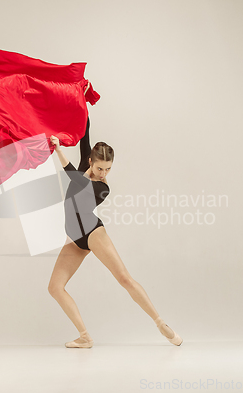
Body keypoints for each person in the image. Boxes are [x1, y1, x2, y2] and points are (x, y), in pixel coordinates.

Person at [48, 117, 183, 348]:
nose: (103, 173)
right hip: (74, 239)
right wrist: (80, 95)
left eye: (108, 169)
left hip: (92, 232)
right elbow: (84, 129)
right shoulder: (84, 164)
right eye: (100, 168)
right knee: (55, 287)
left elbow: (77, 181)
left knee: (124, 278)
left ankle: (160, 323)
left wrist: (58, 151)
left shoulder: (102, 188)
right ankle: (85, 337)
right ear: (90, 160)